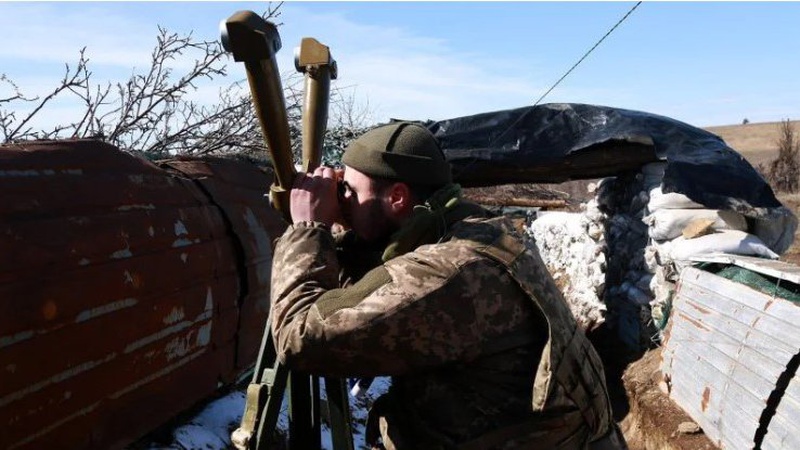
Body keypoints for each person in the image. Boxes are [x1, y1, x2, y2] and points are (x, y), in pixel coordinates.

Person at [270, 122, 626, 449]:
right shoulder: (476, 229)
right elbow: (382, 271)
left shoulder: (450, 272)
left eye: (348, 190)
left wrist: (308, 230)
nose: (342, 199)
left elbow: (299, 336)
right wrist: (343, 226)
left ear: (397, 197)